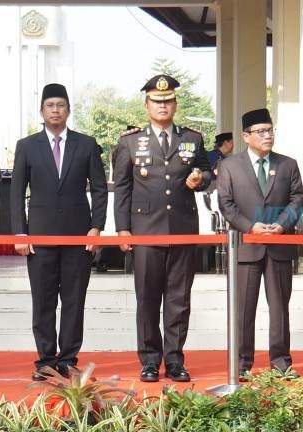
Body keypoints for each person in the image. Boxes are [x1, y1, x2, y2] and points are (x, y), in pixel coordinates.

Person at [113, 75, 211, 382]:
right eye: (157, 101)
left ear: (175, 104)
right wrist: (122, 230)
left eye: (168, 101)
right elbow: (123, 189)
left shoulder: (192, 139)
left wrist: (201, 179)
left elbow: (208, 172)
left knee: (179, 299)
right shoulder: (130, 141)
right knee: (148, 298)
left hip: (182, 229)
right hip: (145, 231)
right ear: (146, 105)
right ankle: (150, 360)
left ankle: (175, 360)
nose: (163, 106)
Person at [11, 83, 107, 381]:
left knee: (74, 299)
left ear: (68, 110)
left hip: (78, 237)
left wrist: (96, 227)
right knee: (43, 300)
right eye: (50, 105)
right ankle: (45, 361)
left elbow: (100, 189)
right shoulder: (27, 145)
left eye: (60, 105)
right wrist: (20, 234)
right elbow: (15, 192)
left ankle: (67, 359)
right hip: (39, 237)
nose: (55, 110)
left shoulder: (86, 143)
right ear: (41, 111)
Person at [216, 108, 303, 381]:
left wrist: (282, 225)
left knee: (280, 307)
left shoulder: (288, 164)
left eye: (270, 130)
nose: (267, 136)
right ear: (246, 136)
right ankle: (242, 363)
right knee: (244, 309)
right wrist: (249, 226)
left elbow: (297, 199)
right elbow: (226, 204)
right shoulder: (230, 166)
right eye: (261, 132)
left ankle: (281, 362)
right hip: (246, 246)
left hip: (279, 245)